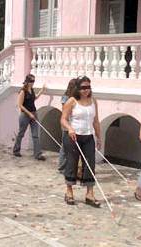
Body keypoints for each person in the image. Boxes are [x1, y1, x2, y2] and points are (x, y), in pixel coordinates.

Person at [61, 76, 101, 206]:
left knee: (90, 163)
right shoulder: (71, 101)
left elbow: (96, 121)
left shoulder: (93, 101)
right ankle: (69, 191)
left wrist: (99, 137)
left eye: (88, 87)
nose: (86, 90)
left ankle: (90, 193)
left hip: (88, 136)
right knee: (72, 163)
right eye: (83, 87)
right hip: (73, 136)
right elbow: (63, 119)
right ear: (78, 88)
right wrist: (69, 128)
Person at [13, 74, 46, 161]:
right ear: (27, 81)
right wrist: (29, 113)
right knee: (21, 133)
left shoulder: (32, 90)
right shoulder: (23, 91)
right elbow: (20, 105)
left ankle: (38, 154)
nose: (32, 83)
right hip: (25, 115)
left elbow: (34, 99)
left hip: (34, 113)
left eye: (33, 81)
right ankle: (16, 150)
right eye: (31, 81)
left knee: (35, 135)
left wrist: (42, 91)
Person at [58, 78, 76, 173]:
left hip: (72, 124)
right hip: (66, 123)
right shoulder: (66, 97)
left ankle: (68, 166)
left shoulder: (74, 97)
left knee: (70, 146)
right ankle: (61, 166)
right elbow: (65, 110)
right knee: (65, 146)